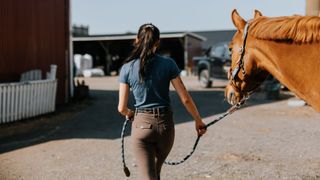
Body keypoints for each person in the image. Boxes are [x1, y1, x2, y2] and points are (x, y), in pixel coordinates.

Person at [118, 23, 206, 180]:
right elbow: (185, 98)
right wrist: (198, 120)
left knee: (149, 176)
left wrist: (131, 114)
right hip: (165, 127)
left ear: (136, 40)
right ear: (157, 42)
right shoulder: (168, 64)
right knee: (155, 173)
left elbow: (121, 108)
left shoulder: (127, 68)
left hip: (141, 125)